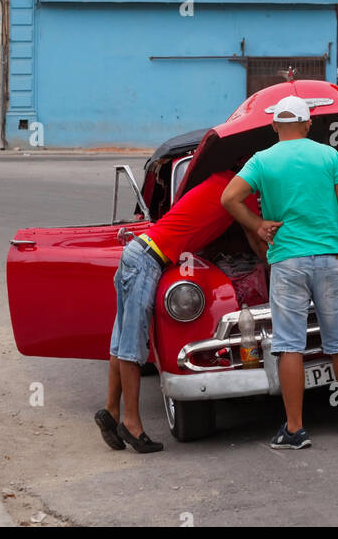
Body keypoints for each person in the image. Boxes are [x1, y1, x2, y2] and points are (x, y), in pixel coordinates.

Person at [221, 94, 338, 450]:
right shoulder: (329, 155)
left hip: (287, 261)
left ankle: (295, 428)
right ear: (307, 125)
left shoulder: (262, 161)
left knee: (289, 345)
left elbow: (228, 198)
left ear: (274, 126)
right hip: (330, 259)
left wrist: (257, 225)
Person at [96, 166, 261, 454]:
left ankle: (111, 411)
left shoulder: (217, 179)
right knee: (133, 347)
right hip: (149, 261)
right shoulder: (242, 191)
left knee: (121, 341)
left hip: (137, 252)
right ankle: (132, 424)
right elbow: (254, 235)